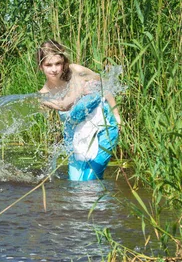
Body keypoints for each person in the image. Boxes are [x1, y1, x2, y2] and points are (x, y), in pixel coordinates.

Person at [37, 40, 121, 181]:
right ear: (41, 67)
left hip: (103, 127)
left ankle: (102, 202)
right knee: (76, 182)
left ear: (64, 62)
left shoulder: (75, 71)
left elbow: (104, 86)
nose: (54, 69)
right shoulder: (44, 92)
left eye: (58, 63)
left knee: (91, 178)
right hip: (77, 135)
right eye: (48, 65)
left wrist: (117, 115)